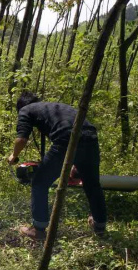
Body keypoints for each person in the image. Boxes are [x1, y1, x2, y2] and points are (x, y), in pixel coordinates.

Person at [7, 91, 106, 241]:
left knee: (40, 182)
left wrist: (13, 156)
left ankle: (38, 230)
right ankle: (100, 226)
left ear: (20, 107)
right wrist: (76, 164)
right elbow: (76, 129)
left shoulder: (25, 110)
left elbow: (21, 139)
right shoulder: (55, 107)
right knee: (92, 184)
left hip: (65, 138)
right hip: (91, 137)